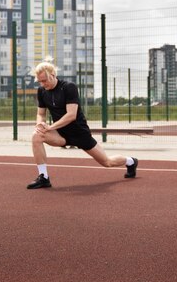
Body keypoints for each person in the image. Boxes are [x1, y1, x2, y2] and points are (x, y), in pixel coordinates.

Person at [27, 58, 138, 189]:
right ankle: (44, 178)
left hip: (79, 133)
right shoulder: (42, 91)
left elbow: (71, 115)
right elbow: (41, 114)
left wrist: (50, 127)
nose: (42, 84)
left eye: (44, 80)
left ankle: (131, 161)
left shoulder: (69, 87)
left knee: (107, 162)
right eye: (39, 81)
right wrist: (40, 125)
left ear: (52, 75)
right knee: (36, 136)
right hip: (61, 134)